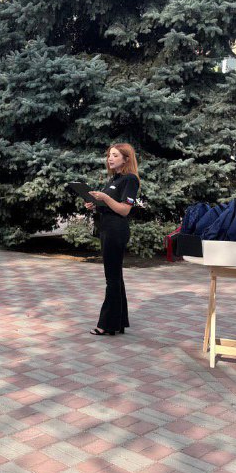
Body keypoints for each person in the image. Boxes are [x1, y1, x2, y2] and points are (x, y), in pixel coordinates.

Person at [85, 143, 141, 336]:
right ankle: (118, 323)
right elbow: (109, 207)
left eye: (115, 155)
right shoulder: (114, 179)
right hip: (106, 230)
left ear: (126, 159)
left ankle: (107, 324)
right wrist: (94, 205)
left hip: (116, 232)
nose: (110, 158)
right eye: (109, 155)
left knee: (112, 278)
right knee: (116, 277)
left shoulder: (130, 180)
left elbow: (125, 210)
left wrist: (105, 198)